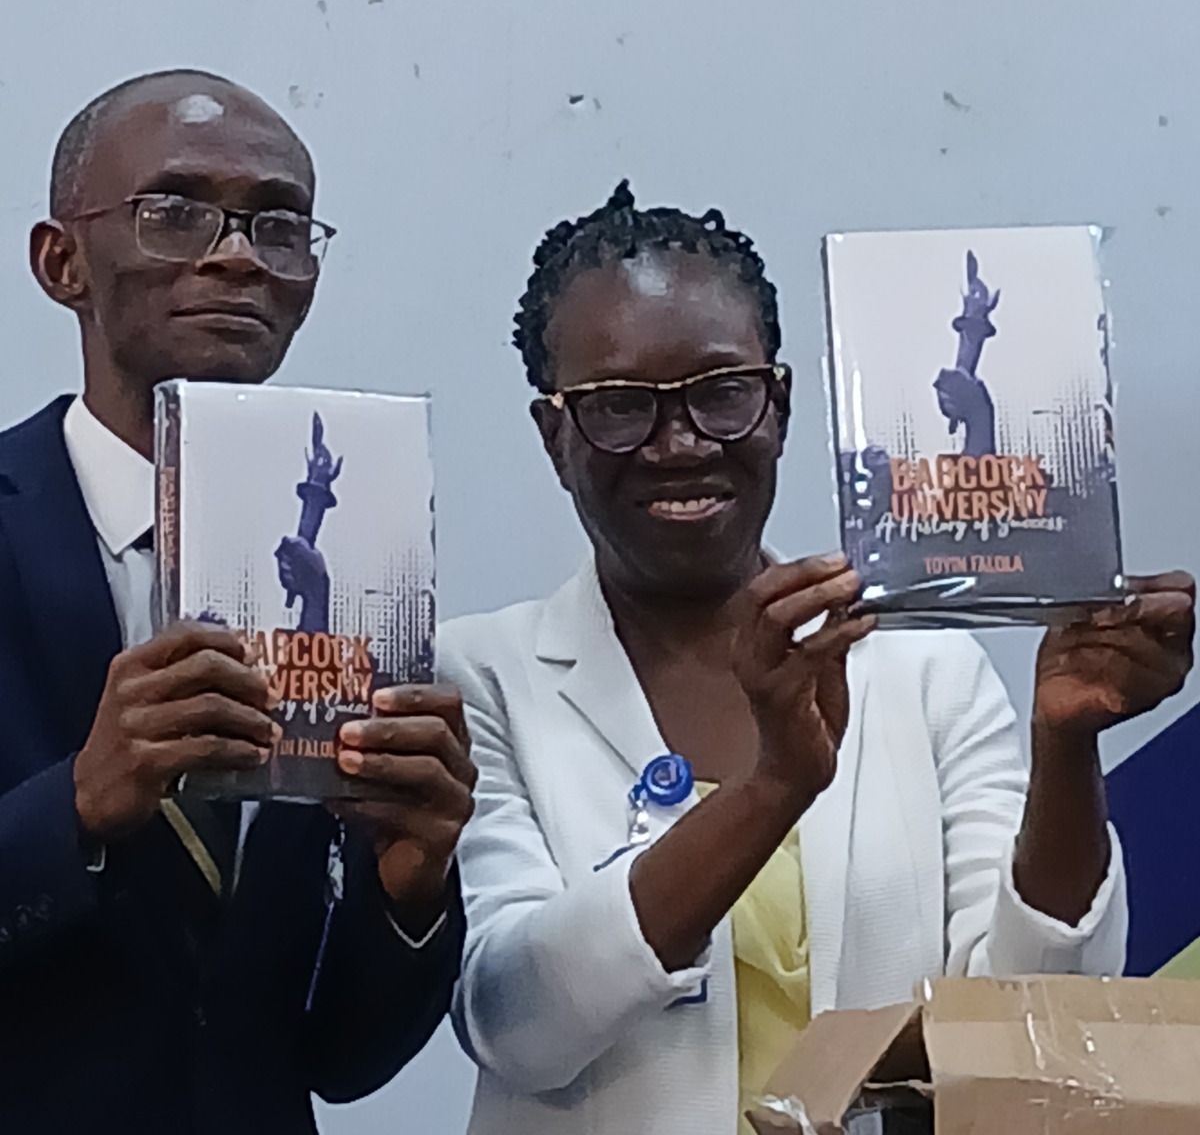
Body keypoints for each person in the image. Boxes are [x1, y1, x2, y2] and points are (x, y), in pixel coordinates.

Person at [440, 182, 1194, 1135]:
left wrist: (1067, 746)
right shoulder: (482, 674)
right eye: (620, 407)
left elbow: (1032, 1020)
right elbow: (520, 1026)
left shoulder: (925, 670)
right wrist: (776, 785)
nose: (679, 444)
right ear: (554, 436)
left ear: (781, 405)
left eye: (722, 392)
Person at [0, 69, 475, 1135]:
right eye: (175, 210)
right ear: (61, 261)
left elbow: (341, 1058)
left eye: (280, 225)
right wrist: (75, 808)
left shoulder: (354, 572)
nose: (238, 254)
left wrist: (408, 884)